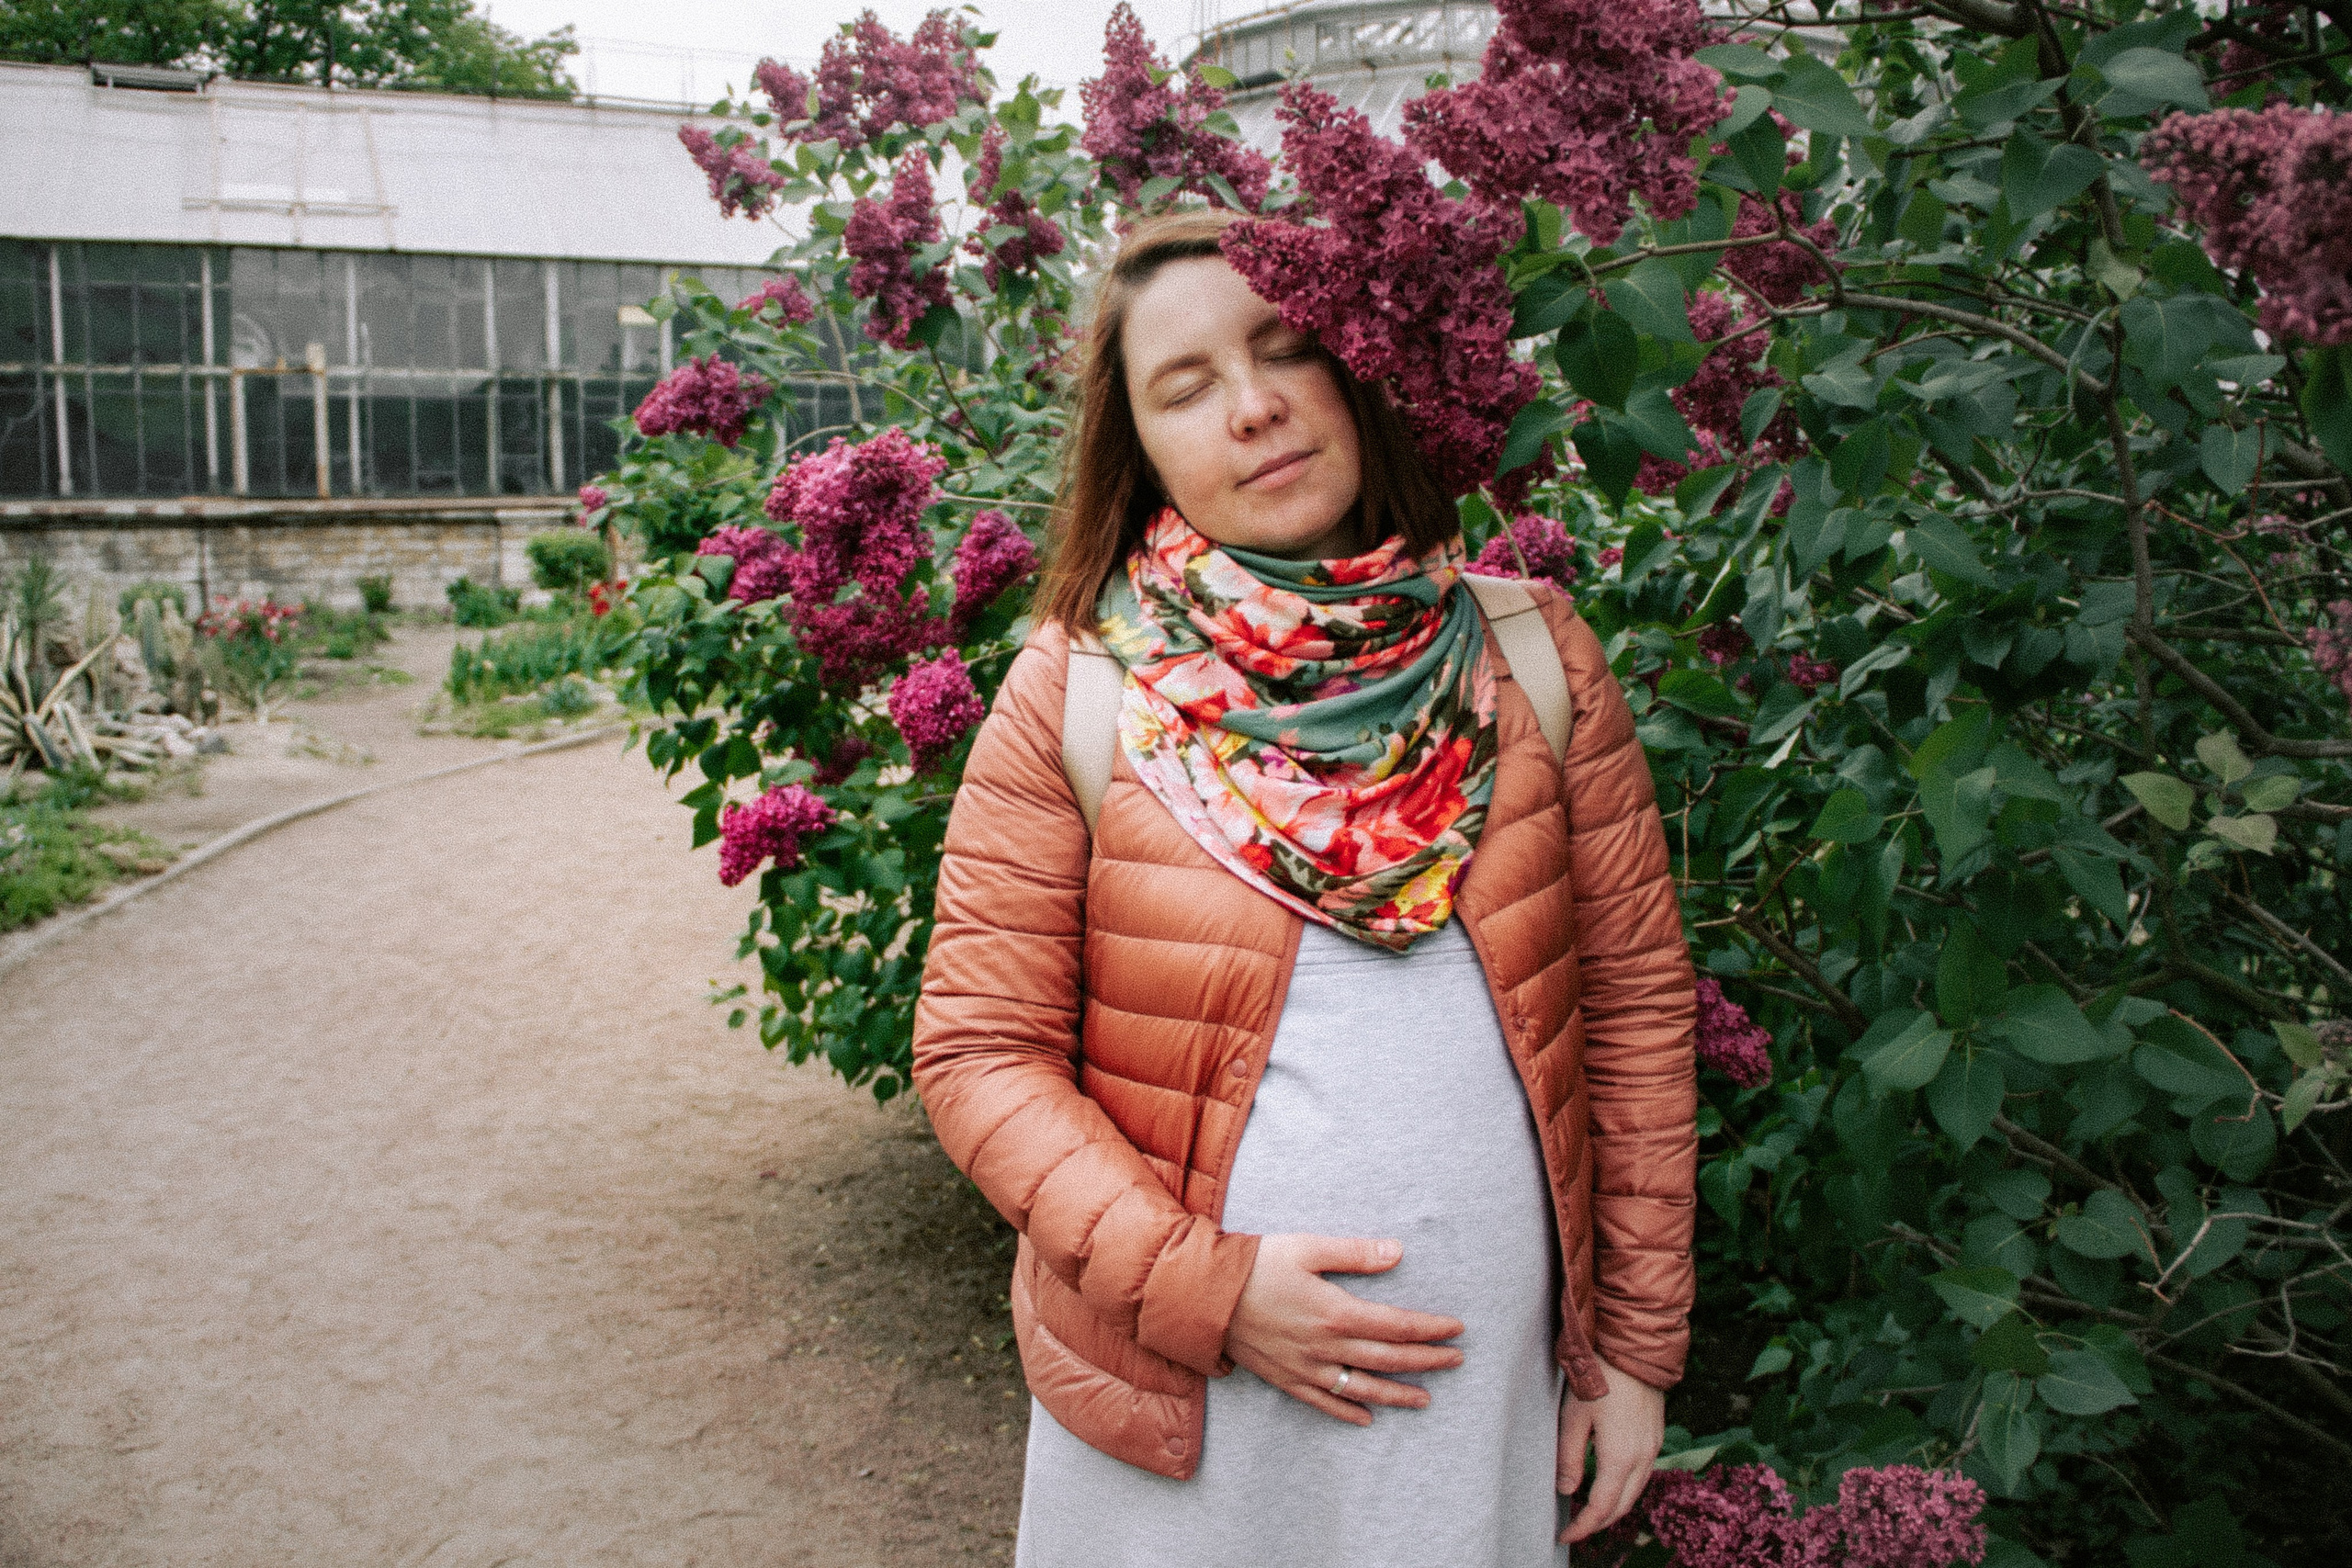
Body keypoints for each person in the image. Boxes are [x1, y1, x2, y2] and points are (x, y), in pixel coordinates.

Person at [911, 209, 1697, 1568]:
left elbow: (1634, 1016)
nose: (1256, 407)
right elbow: (980, 1052)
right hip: (1190, 1398)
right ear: (1140, 445)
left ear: (1357, 372)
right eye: (1188, 385)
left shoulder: (1534, 652)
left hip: (1472, 1411)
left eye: (1287, 352)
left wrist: (1635, 1351)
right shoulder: (1078, 687)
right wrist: (1210, 1292)